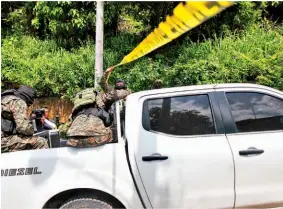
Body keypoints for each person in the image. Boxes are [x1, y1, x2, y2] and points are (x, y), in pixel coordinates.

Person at [65, 66, 131, 148]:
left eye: (120, 83)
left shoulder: (126, 93)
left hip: (73, 138)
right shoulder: (106, 100)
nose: (119, 84)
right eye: (118, 83)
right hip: (102, 134)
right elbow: (103, 84)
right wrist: (106, 74)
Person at [1, 85, 49, 153]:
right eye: (29, 104)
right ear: (27, 98)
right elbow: (23, 128)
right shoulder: (18, 101)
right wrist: (32, 130)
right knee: (41, 142)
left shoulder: (4, 98)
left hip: (3, 138)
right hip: (3, 141)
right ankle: (41, 164)